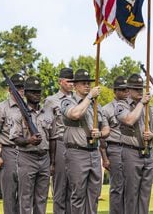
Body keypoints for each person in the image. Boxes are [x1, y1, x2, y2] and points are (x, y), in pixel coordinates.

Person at [61, 69, 110, 214]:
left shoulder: (97, 105)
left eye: (89, 83)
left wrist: (100, 133)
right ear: (75, 85)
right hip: (76, 152)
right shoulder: (67, 101)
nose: (87, 86)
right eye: (83, 83)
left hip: (94, 153)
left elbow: (107, 128)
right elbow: (75, 114)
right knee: (78, 195)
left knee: (94, 195)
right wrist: (89, 97)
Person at [118, 73, 153, 214]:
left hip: (148, 154)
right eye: (136, 89)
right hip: (131, 153)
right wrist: (141, 104)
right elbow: (129, 120)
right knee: (131, 194)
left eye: (141, 89)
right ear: (129, 90)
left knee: (145, 195)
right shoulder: (121, 105)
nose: (140, 91)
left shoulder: (150, 107)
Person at [10, 76, 55, 214]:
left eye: (39, 92)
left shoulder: (47, 113)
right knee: (25, 198)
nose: (37, 94)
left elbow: (52, 138)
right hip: (27, 157)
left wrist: (52, 162)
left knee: (42, 198)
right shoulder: (18, 114)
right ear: (26, 93)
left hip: (44, 157)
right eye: (33, 92)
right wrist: (29, 140)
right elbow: (14, 138)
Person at [0, 73, 25, 214]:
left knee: (25, 194)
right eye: (17, 88)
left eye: (23, 88)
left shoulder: (30, 107)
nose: (21, 91)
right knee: (9, 194)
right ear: (10, 90)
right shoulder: (0, 108)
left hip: (27, 152)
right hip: (9, 151)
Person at [43, 67, 73, 214]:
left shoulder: (77, 99)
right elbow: (47, 128)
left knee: (74, 189)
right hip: (60, 143)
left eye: (73, 81)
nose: (71, 84)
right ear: (60, 81)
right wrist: (50, 158)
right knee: (60, 188)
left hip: (76, 146)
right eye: (68, 81)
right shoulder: (51, 101)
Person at [100, 76, 128, 214]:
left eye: (127, 90)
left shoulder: (132, 107)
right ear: (115, 91)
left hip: (130, 149)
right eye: (122, 90)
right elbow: (102, 138)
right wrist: (104, 157)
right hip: (115, 148)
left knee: (131, 187)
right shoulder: (106, 109)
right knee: (117, 187)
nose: (125, 92)